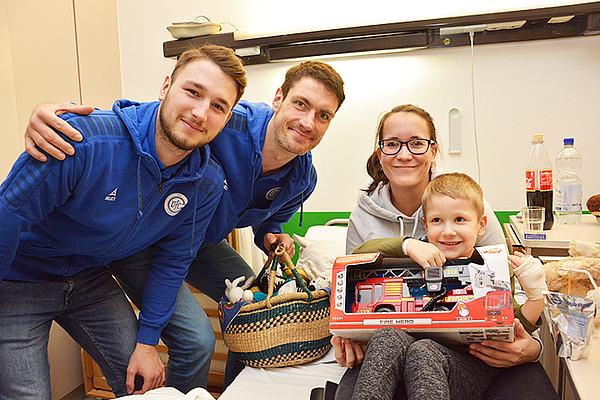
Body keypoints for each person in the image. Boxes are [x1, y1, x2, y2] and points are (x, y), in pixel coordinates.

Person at [23, 60, 345, 391]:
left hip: (202, 242)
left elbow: (270, 220)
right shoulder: (225, 121)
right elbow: (155, 119)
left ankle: (238, 392)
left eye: (323, 115)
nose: (308, 122)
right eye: (301, 104)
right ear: (279, 98)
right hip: (146, 239)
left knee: (252, 309)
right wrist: (48, 114)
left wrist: (271, 235)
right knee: (197, 341)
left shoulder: (302, 180)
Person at [0, 44, 247, 399]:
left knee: (144, 385)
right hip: (19, 278)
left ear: (226, 119)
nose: (200, 112)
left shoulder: (205, 184)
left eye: (218, 106)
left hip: (88, 278)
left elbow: (173, 261)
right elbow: (8, 213)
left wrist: (148, 343)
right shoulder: (82, 142)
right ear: (166, 87)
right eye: (193, 92)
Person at [333, 105, 556, 399]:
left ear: (433, 150)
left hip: (463, 358)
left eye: (416, 143)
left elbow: (512, 314)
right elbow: (349, 288)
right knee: (389, 338)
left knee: (425, 352)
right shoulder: (363, 218)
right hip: (389, 344)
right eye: (392, 144)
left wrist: (533, 344)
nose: (404, 154)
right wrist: (347, 335)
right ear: (380, 153)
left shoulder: (468, 207)